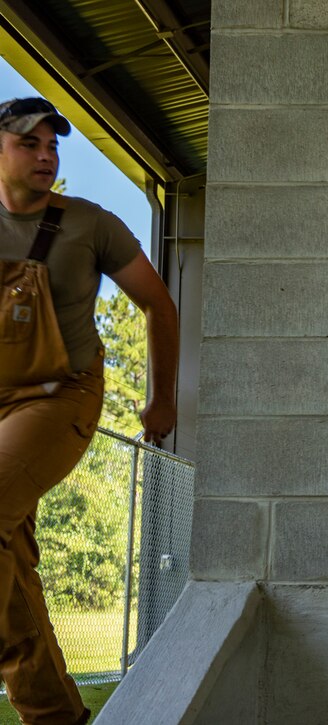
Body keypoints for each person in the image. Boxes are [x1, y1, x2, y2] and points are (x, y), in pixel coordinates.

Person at [0, 97, 178, 724]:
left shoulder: (91, 225)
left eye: (53, 146)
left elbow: (159, 304)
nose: (46, 155)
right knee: (12, 573)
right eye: (30, 143)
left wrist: (161, 399)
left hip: (62, 397)